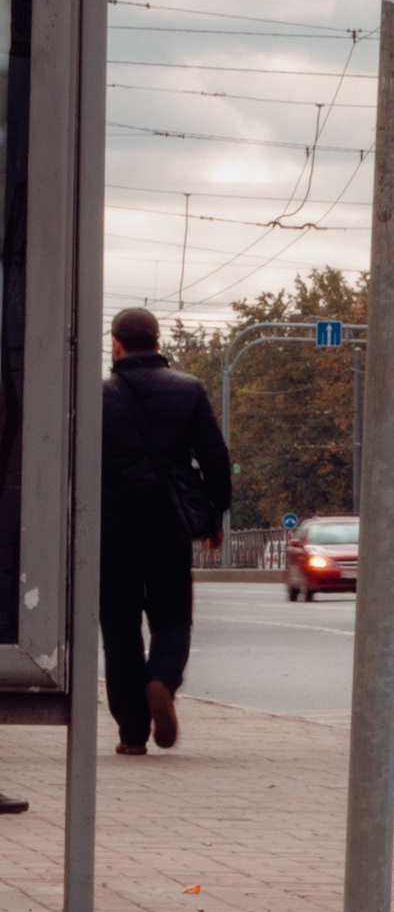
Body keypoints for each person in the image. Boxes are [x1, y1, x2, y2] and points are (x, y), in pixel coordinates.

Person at [99, 306, 231, 757]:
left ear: (117, 345)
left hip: (111, 529)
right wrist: (215, 516)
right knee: (173, 617)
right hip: (168, 526)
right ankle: (162, 680)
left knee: (119, 628)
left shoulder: (96, 396)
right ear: (157, 343)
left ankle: (132, 733)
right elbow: (215, 459)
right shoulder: (188, 390)